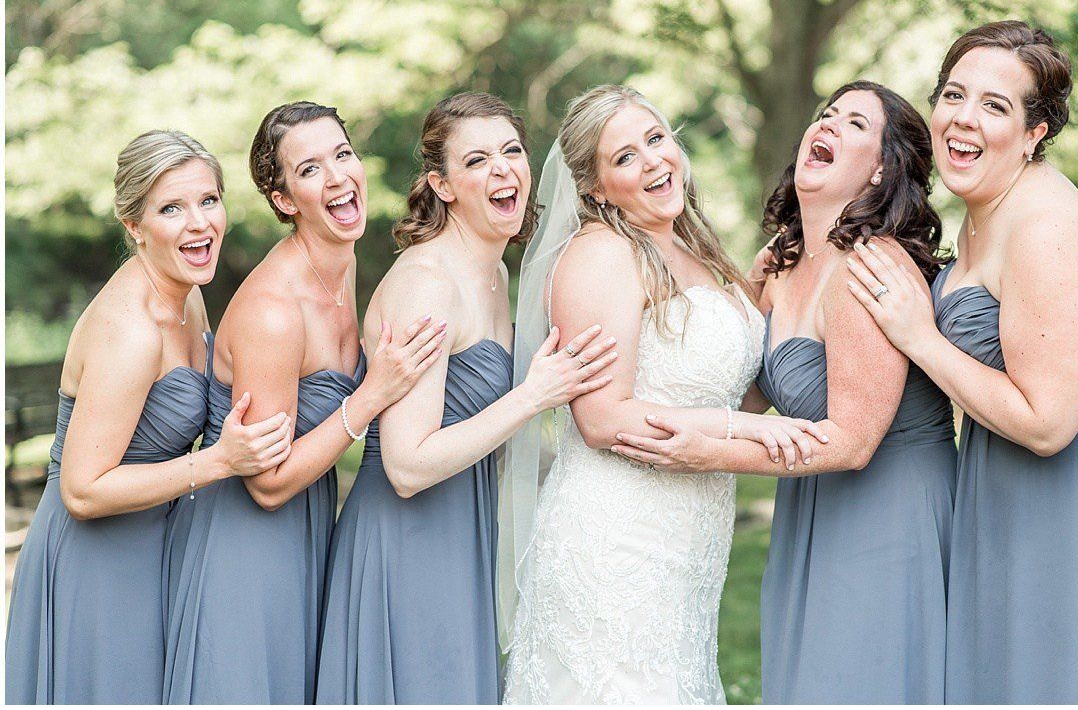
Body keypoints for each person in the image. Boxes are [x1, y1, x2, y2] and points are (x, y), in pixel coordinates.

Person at [847, 20, 1078, 703]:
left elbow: (1047, 422)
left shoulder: (1044, 230)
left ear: (1036, 132)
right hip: (1015, 484)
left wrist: (920, 336)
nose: (964, 120)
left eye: (996, 106)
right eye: (954, 94)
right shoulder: (982, 206)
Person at [612, 81, 958, 702]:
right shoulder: (787, 261)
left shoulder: (867, 269)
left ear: (882, 170)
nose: (825, 125)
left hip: (887, 514)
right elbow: (745, 397)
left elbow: (851, 443)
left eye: (855, 124)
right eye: (825, 113)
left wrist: (706, 454)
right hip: (813, 505)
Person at [501, 85, 823, 704]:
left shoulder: (696, 248)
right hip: (616, 539)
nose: (653, 161)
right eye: (624, 157)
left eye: (656, 139)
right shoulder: (601, 256)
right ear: (593, 188)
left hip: (688, 541)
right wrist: (747, 431)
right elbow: (600, 419)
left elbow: (731, 395)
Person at [316, 92, 615, 704]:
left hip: (465, 529)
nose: (504, 170)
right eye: (477, 161)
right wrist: (532, 396)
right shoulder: (427, 284)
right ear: (442, 184)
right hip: (407, 541)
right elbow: (406, 465)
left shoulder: (496, 272)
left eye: (512, 151)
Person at [161, 103, 441, 703]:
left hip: (312, 535)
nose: (339, 177)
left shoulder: (341, 266)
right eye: (310, 169)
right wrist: (370, 398)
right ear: (284, 199)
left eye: (343, 154)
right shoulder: (273, 310)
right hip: (245, 551)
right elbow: (266, 483)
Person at [5, 130, 291, 703]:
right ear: (133, 225)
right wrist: (219, 462)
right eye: (171, 208)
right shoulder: (130, 331)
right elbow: (82, 490)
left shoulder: (187, 293)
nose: (200, 224)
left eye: (209, 200)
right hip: (98, 567)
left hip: (158, 545)